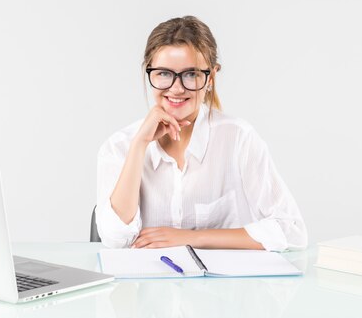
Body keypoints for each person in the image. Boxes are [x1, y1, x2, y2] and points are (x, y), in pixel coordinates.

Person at [96, 16, 307, 251]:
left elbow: (292, 232)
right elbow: (115, 239)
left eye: (191, 74)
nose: (176, 88)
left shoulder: (238, 138)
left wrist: (192, 237)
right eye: (164, 74)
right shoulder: (119, 146)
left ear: (211, 77)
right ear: (149, 72)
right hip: (146, 285)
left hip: (224, 285)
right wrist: (139, 146)